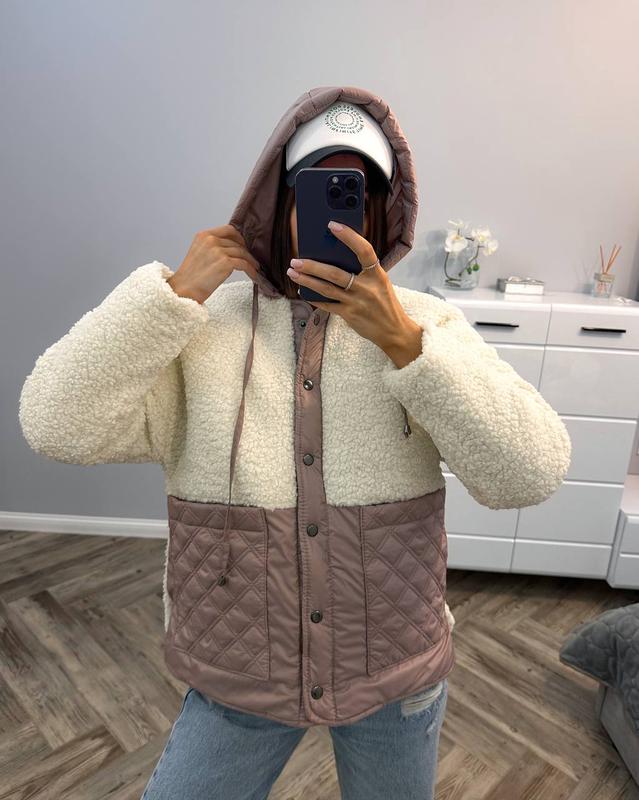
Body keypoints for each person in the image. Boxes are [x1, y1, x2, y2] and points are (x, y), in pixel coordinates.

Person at [18, 86, 572, 799]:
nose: (336, 214)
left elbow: (530, 473)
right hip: (240, 667)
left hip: (394, 669)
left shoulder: (423, 326)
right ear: (277, 201)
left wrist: (406, 346)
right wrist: (172, 295)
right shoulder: (200, 327)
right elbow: (54, 422)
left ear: (381, 211)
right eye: (315, 190)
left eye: (356, 193)